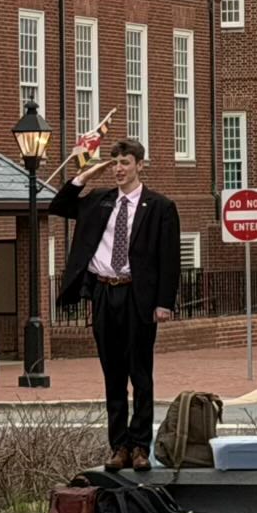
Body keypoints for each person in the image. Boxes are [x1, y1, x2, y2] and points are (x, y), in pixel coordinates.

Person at [50, 138, 181, 470]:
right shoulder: (99, 201)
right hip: (105, 294)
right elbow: (59, 205)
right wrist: (85, 175)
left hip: (138, 296)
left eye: (126, 163)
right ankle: (119, 446)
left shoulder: (160, 207)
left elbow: (169, 260)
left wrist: (164, 302)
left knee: (140, 374)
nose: (120, 169)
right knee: (113, 375)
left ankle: (140, 447)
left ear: (140, 164)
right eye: (115, 164)